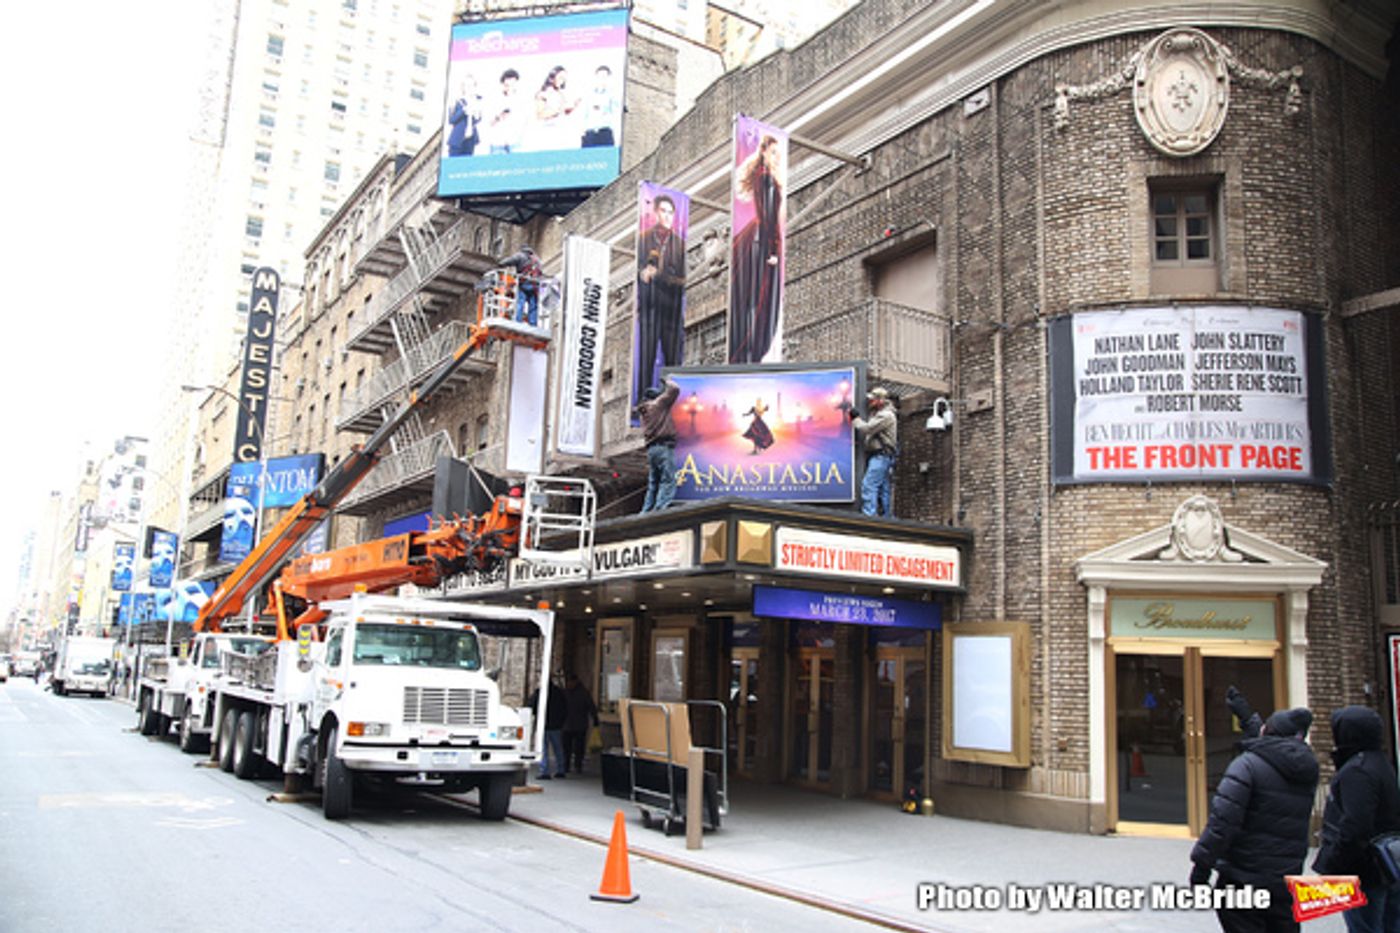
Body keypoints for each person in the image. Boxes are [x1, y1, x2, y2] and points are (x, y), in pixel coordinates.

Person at [1189, 706, 1319, 933]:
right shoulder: (1306, 768)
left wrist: (1202, 868)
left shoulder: (1247, 766)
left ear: (1266, 732)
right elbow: (1273, 754)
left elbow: (1222, 823)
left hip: (1243, 879)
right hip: (1283, 881)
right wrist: (1250, 721)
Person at [1312, 705, 1400, 933]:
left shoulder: (1356, 770)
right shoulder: (1382, 763)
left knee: (1364, 927)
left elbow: (1355, 825)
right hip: (1388, 864)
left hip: (1363, 870)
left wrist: (1334, 862)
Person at [728, 134, 784, 364]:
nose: (777, 159)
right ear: (763, 152)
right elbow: (767, 215)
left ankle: (747, 352)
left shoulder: (764, 177)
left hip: (758, 240)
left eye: (778, 155)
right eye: (773, 153)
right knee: (759, 299)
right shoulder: (767, 180)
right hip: (763, 242)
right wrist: (771, 251)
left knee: (755, 299)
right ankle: (749, 353)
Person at [635, 194, 686, 401]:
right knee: (646, 355)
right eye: (663, 211)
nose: (667, 216)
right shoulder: (645, 238)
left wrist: (661, 276)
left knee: (672, 355)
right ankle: (643, 400)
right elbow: (639, 268)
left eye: (671, 212)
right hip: (649, 308)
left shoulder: (679, 244)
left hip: (670, 309)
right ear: (656, 212)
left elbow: (682, 280)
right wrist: (642, 273)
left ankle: (671, 399)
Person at [633, 377, 680, 513]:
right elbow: (675, 389)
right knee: (668, 479)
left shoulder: (643, 412)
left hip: (651, 450)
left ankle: (646, 511)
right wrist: (666, 380)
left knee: (653, 483)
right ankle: (660, 509)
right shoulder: (658, 405)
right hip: (664, 447)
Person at [850, 387, 897, 517]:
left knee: (869, 485)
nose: (869, 401)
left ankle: (869, 516)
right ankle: (886, 518)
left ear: (880, 400)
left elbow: (868, 428)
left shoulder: (886, 415)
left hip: (881, 456)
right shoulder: (880, 413)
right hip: (884, 456)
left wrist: (855, 418)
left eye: (872, 399)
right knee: (883, 489)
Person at [527, 677, 568, 780]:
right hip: (556, 725)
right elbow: (565, 707)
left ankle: (544, 771)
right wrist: (561, 720)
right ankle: (561, 769)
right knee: (558, 748)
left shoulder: (540, 693)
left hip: (543, 725)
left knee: (543, 749)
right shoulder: (559, 693)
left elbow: (531, 705)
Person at [562, 673, 598, 774]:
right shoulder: (567, 693)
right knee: (567, 747)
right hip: (569, 724)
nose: (569, 684)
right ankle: (567, 765)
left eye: (570, 682)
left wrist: (595, 718)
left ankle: (577, 765)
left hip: (578, 724)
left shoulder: (582, 693)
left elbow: (591, 707)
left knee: (578, 747)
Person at [498, 245, 543, 326]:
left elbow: (509, 261)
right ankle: (533, 323)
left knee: (520, 302)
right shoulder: (537, 260)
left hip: (524, 283)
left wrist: (500, 264)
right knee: (533, 305)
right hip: (535, 285)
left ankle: (518, 320)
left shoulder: (520, 256)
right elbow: (540, 273)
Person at [484, 69, 525, 154]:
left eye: (512, 85)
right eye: (507, 85)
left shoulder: (521, 100)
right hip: (498, 143)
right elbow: (489, 122)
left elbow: (524, 121)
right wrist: (499, 117)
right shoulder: (494, 99)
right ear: (502, 84)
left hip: (515, 143)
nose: (509, 88)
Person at [445, 74, 483, 157]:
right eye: (467, 85)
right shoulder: (456, 101)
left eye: (472, 85)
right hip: (457, 139)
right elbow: (451, 120)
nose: (469, 88)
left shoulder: (477, 101)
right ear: (463, 87)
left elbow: (478, 119)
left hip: (470, 138)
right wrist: (463, 111)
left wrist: (475, 112)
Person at [581, 65, 618, 147]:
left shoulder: (612, 95)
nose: (602, 79)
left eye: (605, 77)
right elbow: (584, 114)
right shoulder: (589, 95)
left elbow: (616, 113)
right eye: (600, 76)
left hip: (605, 132)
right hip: (590, 133)